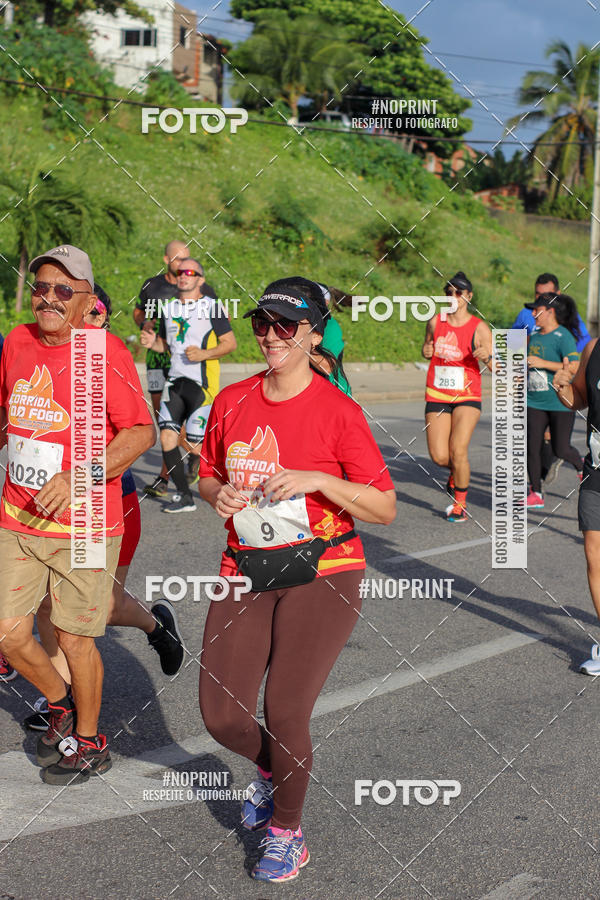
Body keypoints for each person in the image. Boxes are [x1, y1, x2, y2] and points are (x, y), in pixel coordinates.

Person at [198, 277, 396, 883]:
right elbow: (205, 476)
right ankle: (272, 769)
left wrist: (318, 481)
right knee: (221, 716)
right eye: (263, 324)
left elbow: (384, 507)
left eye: (286, 325)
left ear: (313, 334)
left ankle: (287, 830)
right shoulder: (233, 401)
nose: (270, 336)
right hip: (247, 566)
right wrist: (219, 493)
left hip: (324, 569)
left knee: (284, 710)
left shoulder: (339, 411)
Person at [0, 245, 155, 784]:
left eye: (64, 290)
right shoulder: (17, 342)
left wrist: (78, 476)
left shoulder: (103, 352)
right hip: (17, 516)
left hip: (85, 520)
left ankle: (89, 741)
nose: (49, 298)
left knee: (73, 638)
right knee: (8, 633)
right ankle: (59, 701)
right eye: (41, 287)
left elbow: (140, 433)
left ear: (87, 300)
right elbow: (7, 414)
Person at [23, 285, 184, 732]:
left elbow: (138, 434)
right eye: (84, 313)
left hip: (105, 504)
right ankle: (60, 700)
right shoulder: (45, 357)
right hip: (52, 506)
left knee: (102, 608)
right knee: (46, 605)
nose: (90, 322)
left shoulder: (108, 364)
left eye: (99, 316)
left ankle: (157, 627)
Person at [141, 258, 236, 513]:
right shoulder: (168, 308)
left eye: (191, 272)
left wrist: (204, 354)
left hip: (202, 386)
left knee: (195, 445)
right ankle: (185, 497)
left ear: (200, 280)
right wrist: (153, 343)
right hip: (175, 381)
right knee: (168, 437)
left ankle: (233, 472)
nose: (185, 276)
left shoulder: (213, 307)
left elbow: (230, 343)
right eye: (181, 272)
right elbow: (167, 346)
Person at [134, 242, 217, 496]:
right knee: (163, 416)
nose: (183, 264)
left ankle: (167, 476)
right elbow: (138, 312)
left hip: (185, 362)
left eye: (187, 259)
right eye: (178, 259)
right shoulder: (152, 285)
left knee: (174, 419)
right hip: (157, 359)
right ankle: (192, 456)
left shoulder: (203, 289)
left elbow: (216, 323)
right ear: (166, 258)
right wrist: (144, 323)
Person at [422, 271, 493, 522]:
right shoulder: (435, 321)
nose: (454, 296)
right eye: (449, 292)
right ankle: (457, 473)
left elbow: (499, 367)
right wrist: (426, 350)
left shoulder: (479, 327)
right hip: (437, 393)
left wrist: (488, 357)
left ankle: (459, 503)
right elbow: (427, 347)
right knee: (440, 456)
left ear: (469, 296)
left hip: (467, 396)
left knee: (458, 449)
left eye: (459, 292)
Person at [553, 336, 600, 673]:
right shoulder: (594, 348)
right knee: (594, 556)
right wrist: (563, 387)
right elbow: (579, 398)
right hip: (596, 470)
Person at [525, 293, 583, 508]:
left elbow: (574, 367)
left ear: (550, 312)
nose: (532, 314)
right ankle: (536, 493)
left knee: (561, 449)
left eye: (536, 309)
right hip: (534, 401)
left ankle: (581, 465)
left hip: (559, 401)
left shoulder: (563, 336)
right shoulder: (534, 335)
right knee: (532, 447)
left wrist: (542, 362)